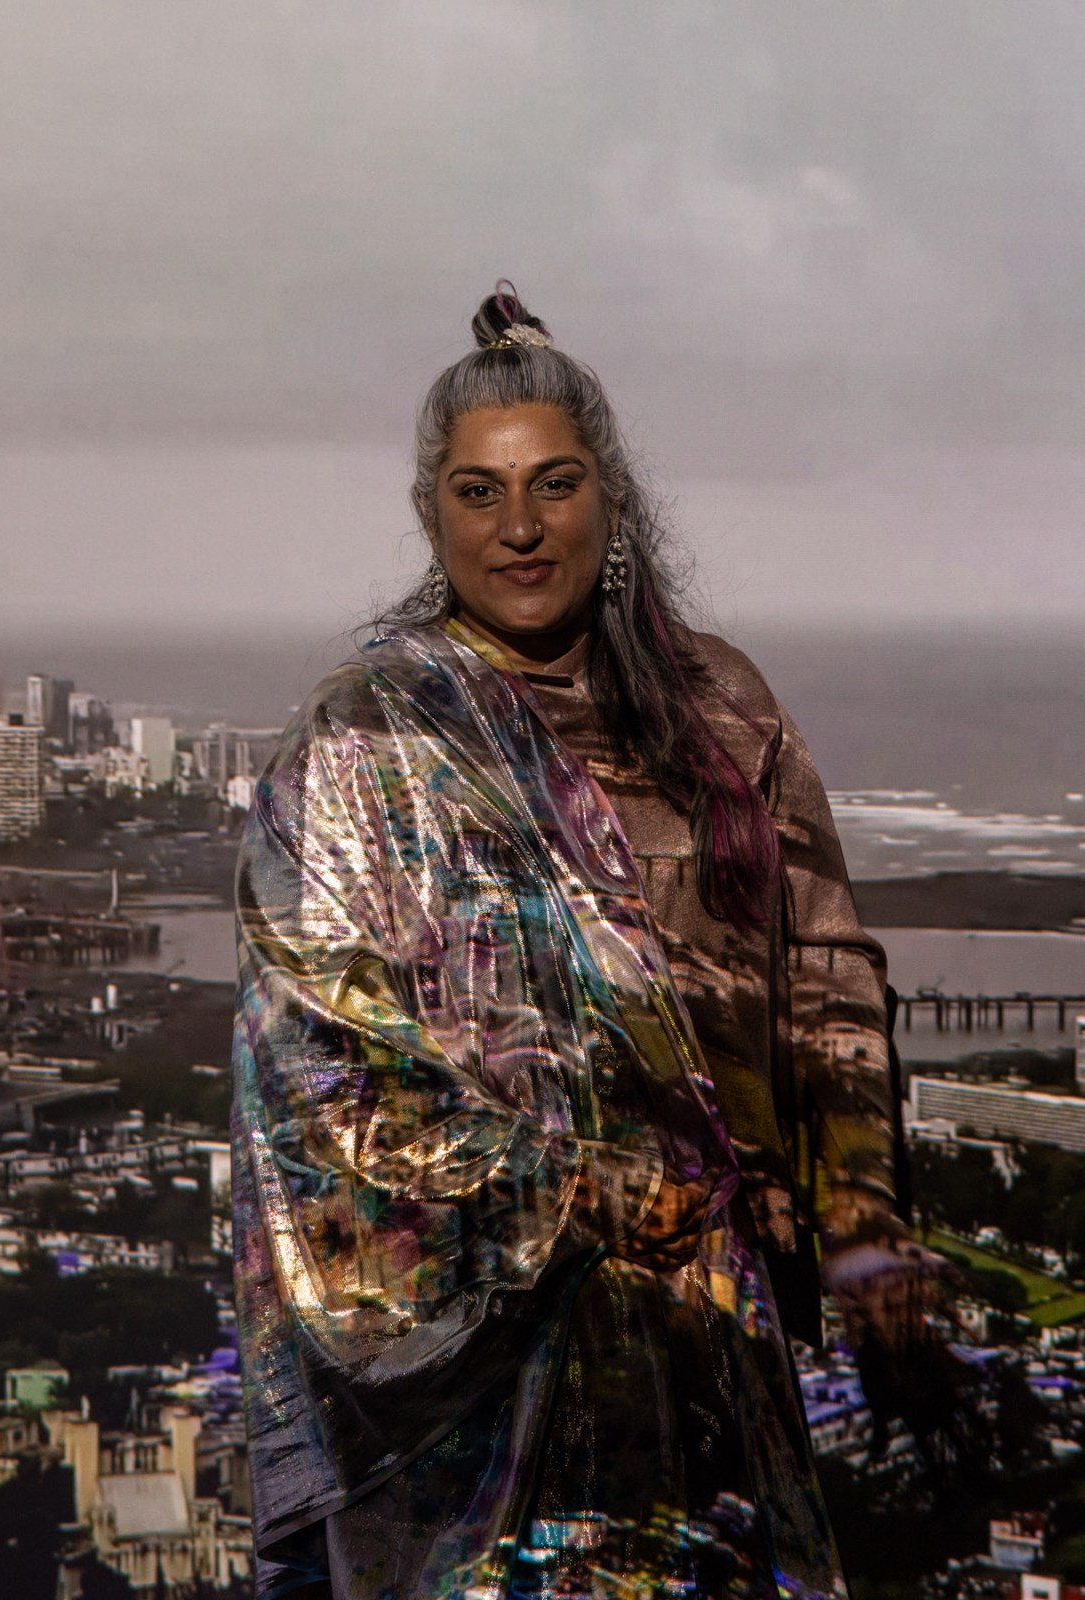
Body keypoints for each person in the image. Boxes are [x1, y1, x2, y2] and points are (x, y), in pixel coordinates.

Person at [232, 282, 947, 1600]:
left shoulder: (724, 710)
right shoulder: (368, 738)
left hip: (703, 1332)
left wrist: (861, 1225)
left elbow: (827, 983)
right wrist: (584, 1181)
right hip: (466, 1370)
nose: (519, 528)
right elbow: (317, 1079)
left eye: (553, 485)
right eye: (477, 492)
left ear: (612, 499)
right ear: (428, 513)